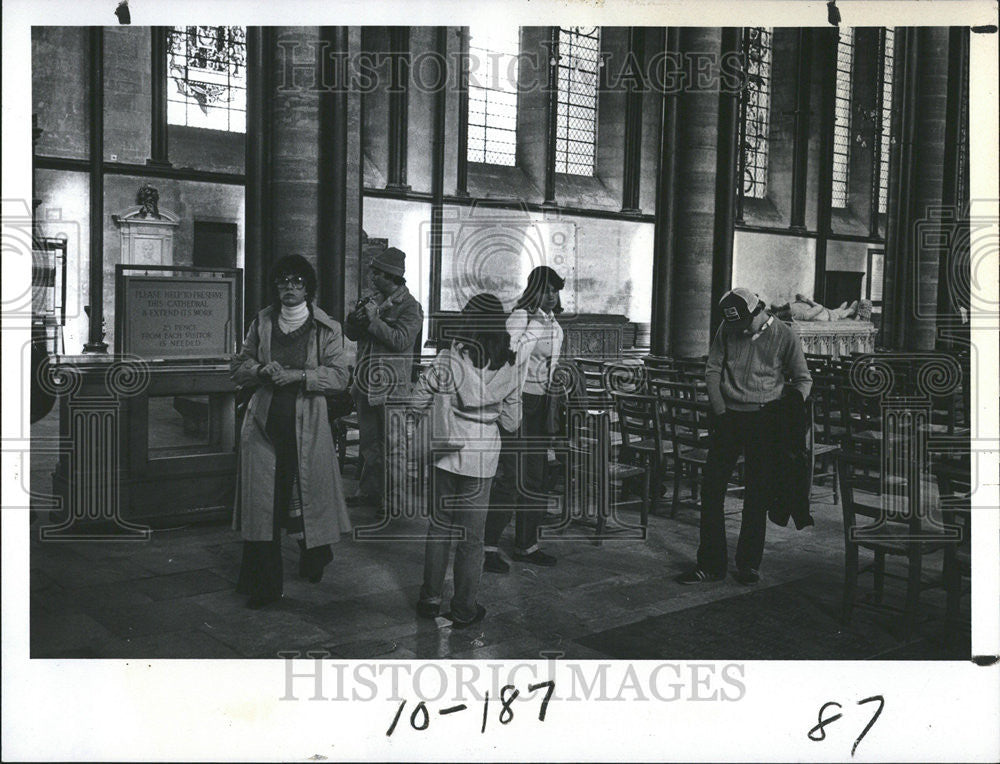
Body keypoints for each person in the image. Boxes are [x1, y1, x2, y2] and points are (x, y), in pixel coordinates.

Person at [231, 255, 352, 608]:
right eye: (283, 281)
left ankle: (316, 554)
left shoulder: (326, 327)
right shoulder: (263, 321)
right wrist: (259, 370)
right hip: (264, 424)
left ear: (308, 288)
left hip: (307, 424)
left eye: (298, 282)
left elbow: (341, 376)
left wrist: (300, 376)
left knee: (305, 496)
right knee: (263, 505)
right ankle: (264, 587)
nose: (289, 288)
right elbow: (238, 366)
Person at [677, 287, 812, 586]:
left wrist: (790, 408)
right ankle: (710, 565)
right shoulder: (728, 326)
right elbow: (713, 369)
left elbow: (804, 379)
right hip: (728, 417)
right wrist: (720, 409)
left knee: (757, 494)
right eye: (732, 325)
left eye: (743, 325)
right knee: (712, 491)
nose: (736, 330)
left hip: (764, 420)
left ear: (758, 311)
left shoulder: (784, 335)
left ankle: (748, 564)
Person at [412, 293, 523, 628]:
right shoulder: (511, 366)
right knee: (472, 539)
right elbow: (512, 422)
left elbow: (418, 398)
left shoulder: (449, 358)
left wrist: (430, 412)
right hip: (482, 455)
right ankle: (463, 609)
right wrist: (492, 410)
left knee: (439, 527)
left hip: (446, 451)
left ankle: (430, 599)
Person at [483, 265, 566, 572]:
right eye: (546, 289)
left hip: (544, 403)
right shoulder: (521, 317)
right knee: (510, 477)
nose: (552, 295)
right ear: (534, 291)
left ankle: (526, 544)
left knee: (536, 477)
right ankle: (487, 546)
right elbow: (510, 355)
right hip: (520, 402)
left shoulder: (552, 320)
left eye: (556, 290)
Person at [343, 247, 424, 513]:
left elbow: (401, 341)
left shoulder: (411, 307)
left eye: (376, 273)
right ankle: (369, 492)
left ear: (389, 276)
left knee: (394, 448)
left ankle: (394, 502)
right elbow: (354, 336)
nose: (371, 277)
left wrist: (374, 321)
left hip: (393, 390)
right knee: (369, 445)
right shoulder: (372, 300)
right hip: (366, 386)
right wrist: (354, 320)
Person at [772, 293, 860, 322]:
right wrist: (807, 300)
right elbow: (819, 307)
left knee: (836, 311)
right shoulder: (801, 314)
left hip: (825, 312)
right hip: (827, 315)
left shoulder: (792, 308)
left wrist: (800, 299)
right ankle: (849, 311)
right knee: (839, 314)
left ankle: (841, 309)